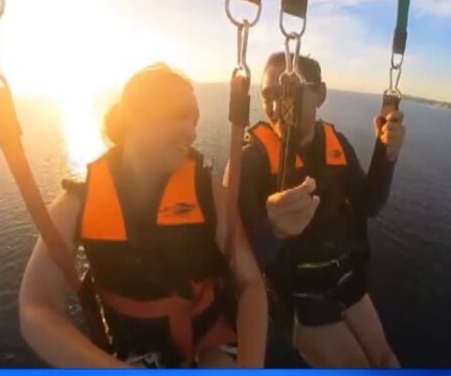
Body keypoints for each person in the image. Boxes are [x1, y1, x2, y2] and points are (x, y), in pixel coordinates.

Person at [18, 63, 268, 368]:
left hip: (211, 342)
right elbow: (36, 307)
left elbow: (251, 284)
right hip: (136, 355)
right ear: (134, 115)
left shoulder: (210, 195)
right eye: (180, 115)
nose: (191, 131)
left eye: (194, 121)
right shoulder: (76, 205)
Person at [237, 52, 405, 368]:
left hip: (343, 275)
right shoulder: (253, 160)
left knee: (386, 360)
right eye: (267, 96)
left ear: (320, 94)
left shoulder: (335, 143)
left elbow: (370, 203)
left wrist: (386, 154)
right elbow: (239, 264)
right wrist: (273, 230)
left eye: (289, 91)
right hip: (296, 294)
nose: (277, 107)